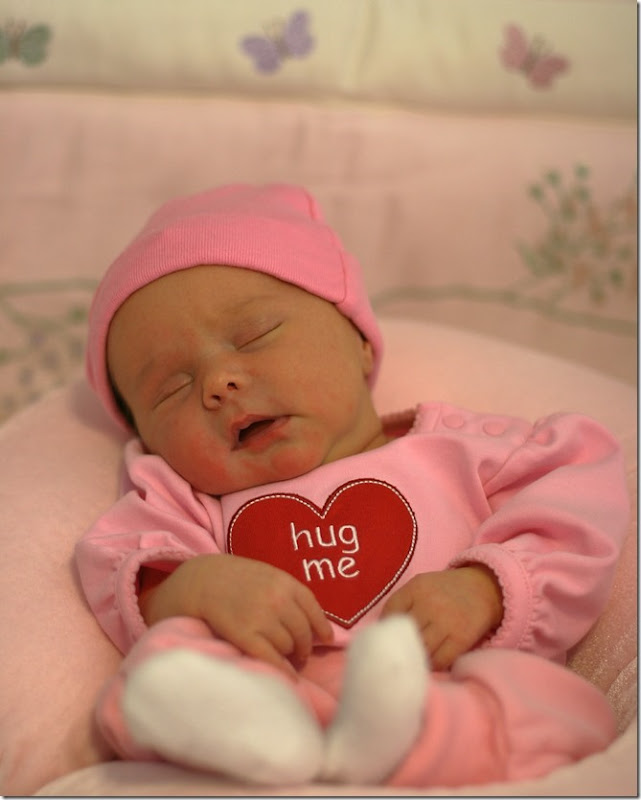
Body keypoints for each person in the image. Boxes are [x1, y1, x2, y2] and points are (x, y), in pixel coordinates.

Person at [77, 183, 629, 788]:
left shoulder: (462, 452)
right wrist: (194, 586)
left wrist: (484, 588)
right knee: (164, 663)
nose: (218, 381)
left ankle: (398, 739)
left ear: (360, 343)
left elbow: (578, 487)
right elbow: (116, 556)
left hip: (445, 690)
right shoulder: (189, 501)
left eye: (254, 334)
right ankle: (255, 735)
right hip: (280, 698)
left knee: (562, 707)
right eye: (171, 389)